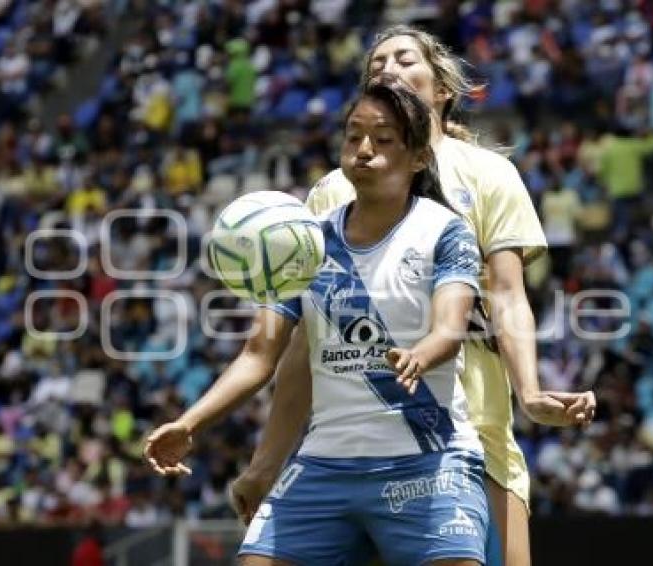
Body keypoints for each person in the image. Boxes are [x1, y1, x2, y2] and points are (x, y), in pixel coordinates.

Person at [230, 26, 597, 566]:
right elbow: (303, 345)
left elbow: (507, 296)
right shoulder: (333, 191)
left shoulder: (490, 174)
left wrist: (531, 393)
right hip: (357, 445)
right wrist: (267, 459)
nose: (388, 68)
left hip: (470, 427)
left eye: (404, 58)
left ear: (442, 89)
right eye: (376, 64)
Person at [147, 78, 489, 565]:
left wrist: (421, 353)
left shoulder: (445, 231)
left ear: (418, 158)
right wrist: (189, 422)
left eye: (384, 139)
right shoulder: (304, 242)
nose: (364, 150)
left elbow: (451, 327)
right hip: (325, 462)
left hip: (429, 460)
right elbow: (258, 356)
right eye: (353, 136)